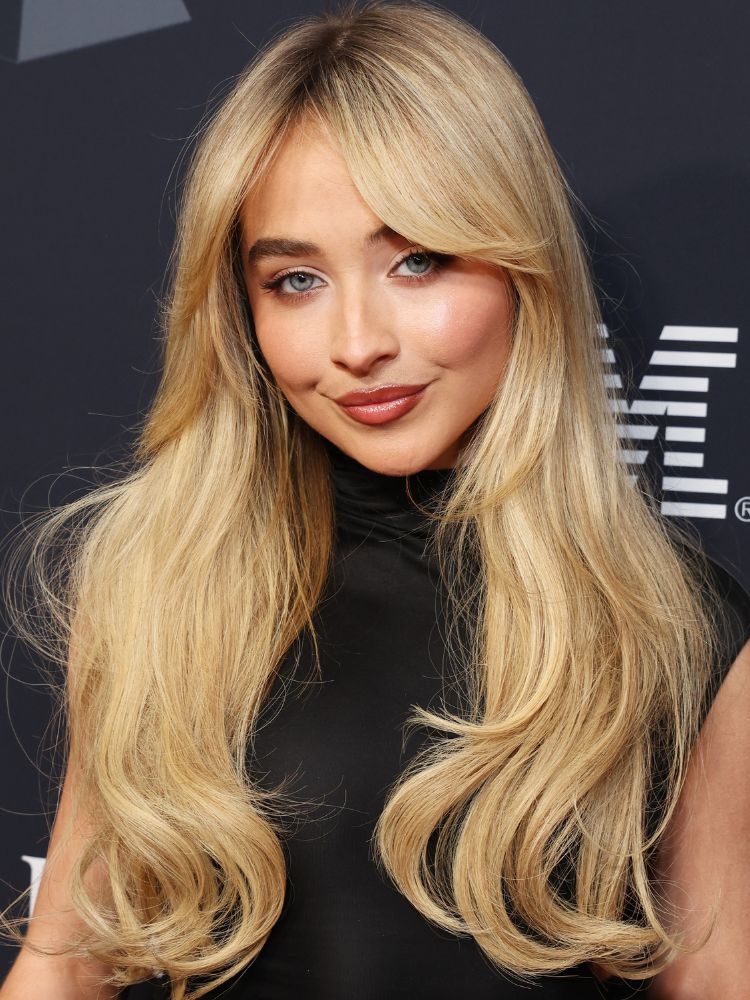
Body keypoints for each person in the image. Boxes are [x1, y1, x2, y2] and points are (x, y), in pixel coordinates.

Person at [1, 1, 749, 998]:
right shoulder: (160, 584)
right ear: (241, 310)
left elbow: (712, 981)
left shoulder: (675, 626)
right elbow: (63, 966)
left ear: (521, 264)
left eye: (417, 260)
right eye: (296, 280)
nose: (358, 343)